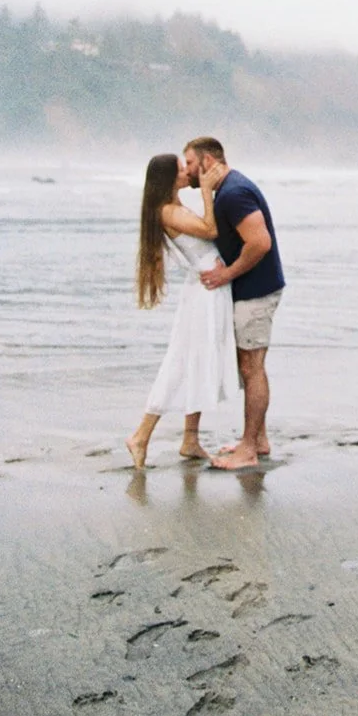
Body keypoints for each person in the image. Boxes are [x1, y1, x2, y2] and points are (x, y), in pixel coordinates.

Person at [126, 154, 238, 469]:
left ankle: (190, 439)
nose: (186, 172)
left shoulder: (174, 207)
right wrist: (205, 189)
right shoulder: (168, 212)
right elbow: (209, 229)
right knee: (181, 363)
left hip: (208, 288)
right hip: (204, 291)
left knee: (197, 362)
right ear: (167, 179)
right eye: (180, 170)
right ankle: (140, 436)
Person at [182, 137, 285, 470]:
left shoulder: (233, 193)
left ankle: (249, 449)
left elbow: (260, 242)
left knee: (251, 369)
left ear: (208, 161)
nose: (187, 171)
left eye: (190, 164)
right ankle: (258, 440)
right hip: (252, 289)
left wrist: (227, 275)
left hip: (257, 290)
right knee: (249, 368)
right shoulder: (226, 191)